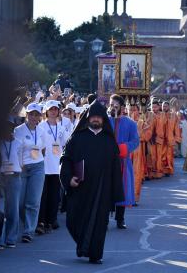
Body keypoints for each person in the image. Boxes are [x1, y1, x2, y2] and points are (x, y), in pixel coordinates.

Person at [60, 100, 124, 264]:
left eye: (99, 117)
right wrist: (68, 179)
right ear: (88, 118)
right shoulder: (77, 138)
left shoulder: (109, 141)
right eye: (93, 117)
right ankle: (83, 245)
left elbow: (116, 169)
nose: (96, 120)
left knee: (99, 223)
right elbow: (66, 160)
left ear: (103, 118)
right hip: (80, 187)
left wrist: (116, 193)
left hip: (102, 189)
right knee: (72, 220)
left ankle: (95, 254)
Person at [15, 103, 46, 243]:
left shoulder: (41, 131)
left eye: (36, 114)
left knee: (33, 202)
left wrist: (38, 161)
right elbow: (15, 150)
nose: (33, 117)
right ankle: (27, 222)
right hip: (21, 168)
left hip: (37, 167)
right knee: (20, 203)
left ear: (40, 116)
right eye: (31, 114)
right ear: (26, 115)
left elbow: (43, 149)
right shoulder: (18, 130)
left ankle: (28, 231)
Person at [108, 94, 139, 229]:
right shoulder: (105, 121)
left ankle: (120, 219)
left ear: (121, 107)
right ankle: (104, 219)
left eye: (116, 106)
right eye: (111, 105)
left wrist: (123, 148)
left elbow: (135, 141)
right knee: (106, 189)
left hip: (123, 161)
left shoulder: (130, 123)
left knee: (122, 188)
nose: (113, 108)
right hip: (107, 161)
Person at [37, 100, 68, 233]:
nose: (53, 111)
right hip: (43, 166)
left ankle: (52, 219)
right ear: (46, 112)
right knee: (43, 195)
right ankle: (41, 221)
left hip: (56, 167)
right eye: (51, 109)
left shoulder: (61, 128)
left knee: (55, 195)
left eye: (55, 109)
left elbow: (67, 143)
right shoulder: (41, 127)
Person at [0, 119, 21, 252]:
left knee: (13, 209)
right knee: (0, 210)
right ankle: (0, 239)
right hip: (0, 178)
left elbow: (22, 161)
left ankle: (11, 239)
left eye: (10, 128)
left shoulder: (18, 143)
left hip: (14, 177)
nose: (8, 130)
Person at [128, 103, 152, 205]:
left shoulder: (142, 123)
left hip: (137, 151)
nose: (133, 112)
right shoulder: (122, 121)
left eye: (135, 110)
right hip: (125, 151)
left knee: (136, 174)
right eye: (131, 109)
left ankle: (133, 198)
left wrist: (138, 137)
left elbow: (147, 136)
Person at [156, 101, 181, 176]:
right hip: (161, 138)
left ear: (169, 107)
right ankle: (162, 169)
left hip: (170, 138)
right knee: (161, 155)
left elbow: (176, 128)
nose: (164, 108)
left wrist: (177, 139)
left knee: (169, 155)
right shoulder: (159, 115)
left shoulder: (174, 116)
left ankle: (168, 169)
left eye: (166, 106)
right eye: (163, 106)